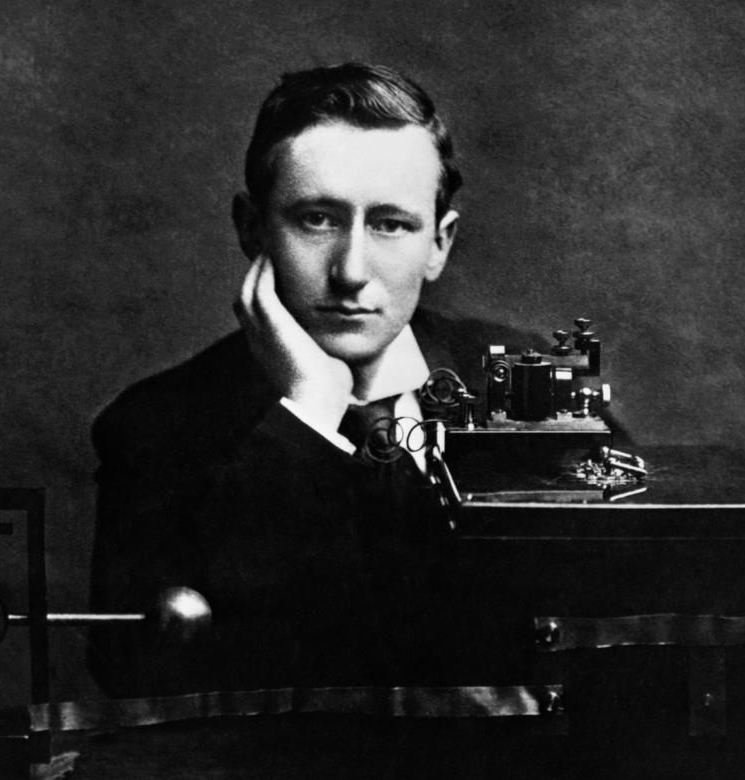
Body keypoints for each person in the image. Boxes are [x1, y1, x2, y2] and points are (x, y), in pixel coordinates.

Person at [87, 63, 536, 696]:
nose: (351, 271)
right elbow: (139, 675)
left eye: (391, 224)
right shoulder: (154, 428)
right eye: (317, 220)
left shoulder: (527, 388)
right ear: (252, 228)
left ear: (440, 242)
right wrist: (306, 418)